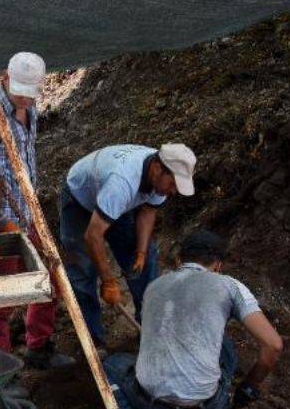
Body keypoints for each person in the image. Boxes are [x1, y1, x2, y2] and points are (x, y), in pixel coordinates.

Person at [103, 230, 283, 409]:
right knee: (226, 352)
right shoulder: (229, 285)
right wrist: (249, 386)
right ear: (218, 264)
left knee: (109, 365)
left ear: (179, 260)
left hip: (149, 404)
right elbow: (273, 345)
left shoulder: (154, 286)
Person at [0, 52, 74, 370]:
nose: (25, 99)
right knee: (0, 297)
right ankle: (1, 368)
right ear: (4, 78)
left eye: (30, 93)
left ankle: (39, 346)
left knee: (51, 279)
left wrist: (30, 214)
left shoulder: (30, 109)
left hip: (28, 214)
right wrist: (1, 222)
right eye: (19, 91)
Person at [59, 143, 196, 351]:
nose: (174, 191)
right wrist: (108, 281)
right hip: (80, 198)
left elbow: (148, 212)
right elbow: (93, 236)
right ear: (158, 168)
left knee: (145, 260)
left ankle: (150, 328)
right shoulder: (122, 182)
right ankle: (93, 343)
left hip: (116, 201)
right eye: (173, 184)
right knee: (82, 272)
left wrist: (140, 252)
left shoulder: (160, 179)